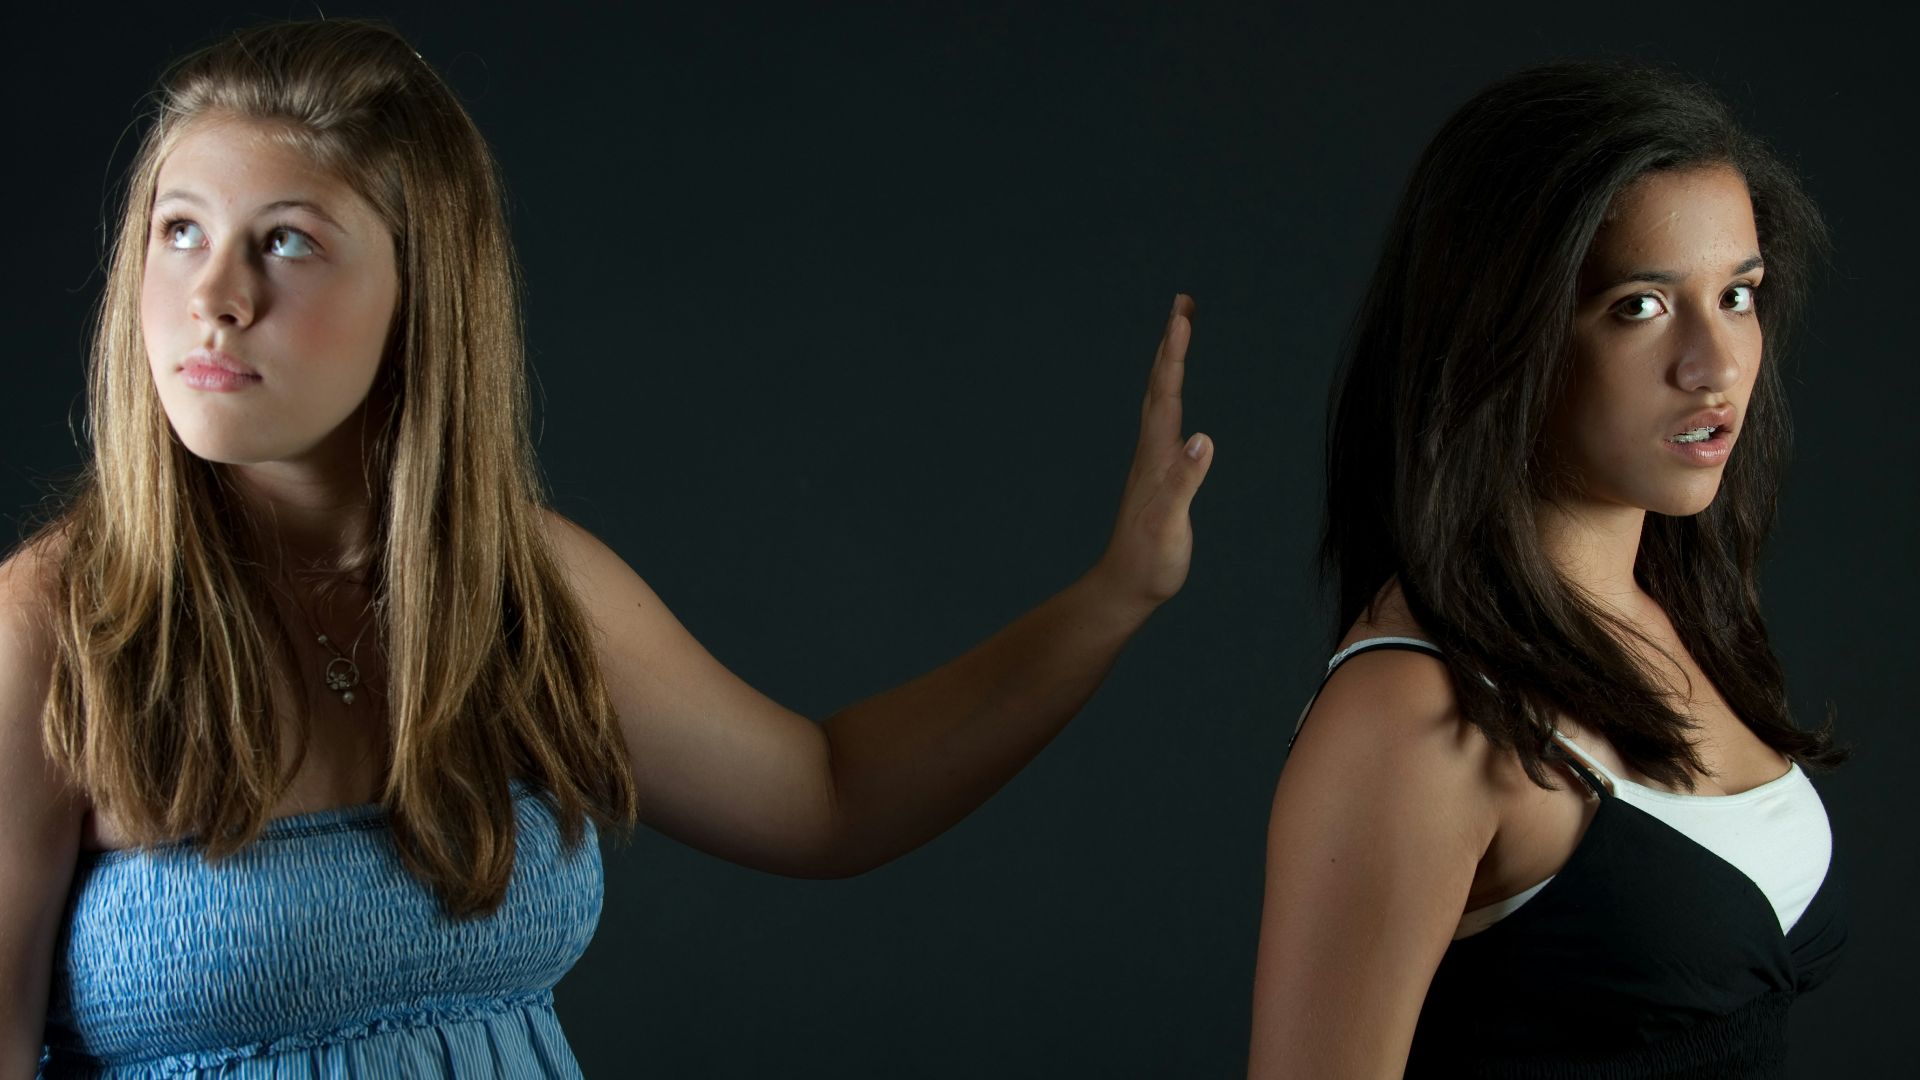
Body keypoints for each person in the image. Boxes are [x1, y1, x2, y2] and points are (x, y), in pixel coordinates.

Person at [0, 18, 1213, 1077]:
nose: (213, 295)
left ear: (425, 292)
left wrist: (1110, 600)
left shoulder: (522, 590)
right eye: (177, 231)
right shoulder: (51, 630)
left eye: (285, 241)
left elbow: (828, 798)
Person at [1249, 62, 1846, 1077]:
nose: (1717, 364)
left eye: (1738, 294)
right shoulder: (1416, 714)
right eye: (1639, 307)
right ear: (1503, 330)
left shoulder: (1677, 611)